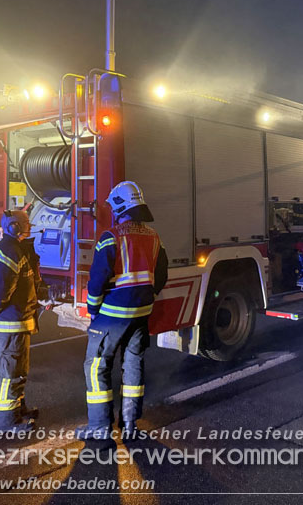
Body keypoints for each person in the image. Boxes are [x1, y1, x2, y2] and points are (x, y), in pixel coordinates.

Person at [77, 181, 168, 441]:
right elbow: (161, 274)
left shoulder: (110, 237)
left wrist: (92, 309)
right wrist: (149, 295)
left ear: (119, 207)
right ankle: (129, 426)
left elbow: (97, 280)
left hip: (112, 315)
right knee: (133, 365)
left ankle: (99, 428)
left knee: (96, 367)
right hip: (141, 313)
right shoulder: (153, 237)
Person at [0, 209, 43, 432]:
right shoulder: (9, 251)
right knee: (9, 374)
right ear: (14, 226)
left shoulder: (15, 248)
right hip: (9, 325)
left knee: (18, 371)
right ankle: (5, 423)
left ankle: (17, 409)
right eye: (24, 223)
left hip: (19, 322)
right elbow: (0, 294)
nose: (28, 226)